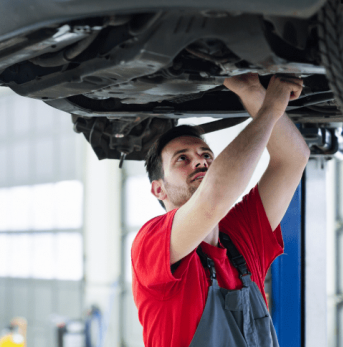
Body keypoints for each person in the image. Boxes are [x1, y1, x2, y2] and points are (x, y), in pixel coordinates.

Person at [131, 73, 310, 347]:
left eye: (206, 155)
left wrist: (252, 92)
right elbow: (212, 201)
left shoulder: (239, 237)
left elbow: (292, 159)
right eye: (183, 159)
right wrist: (270, 110)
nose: (200, 162)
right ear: (159, 189)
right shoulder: (152, 241)